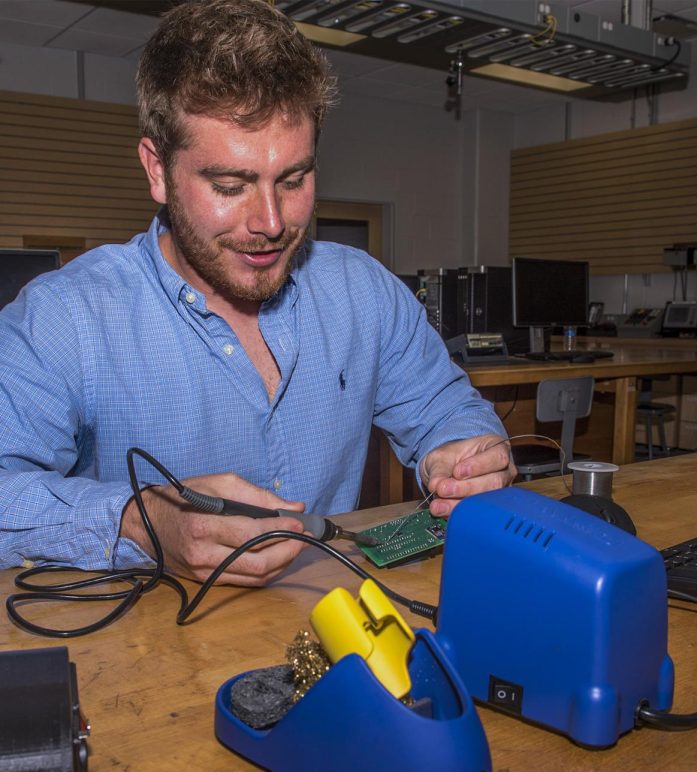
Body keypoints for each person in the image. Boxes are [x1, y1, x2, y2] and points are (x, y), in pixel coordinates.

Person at [0, 0, 514, 587]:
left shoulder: (365, 293)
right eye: (229, 185)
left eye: (293, 180)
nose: (270, 221)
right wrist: (141, 522)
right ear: (157, 170)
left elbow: (447, 410)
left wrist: (463, 459)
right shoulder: (64, 317)